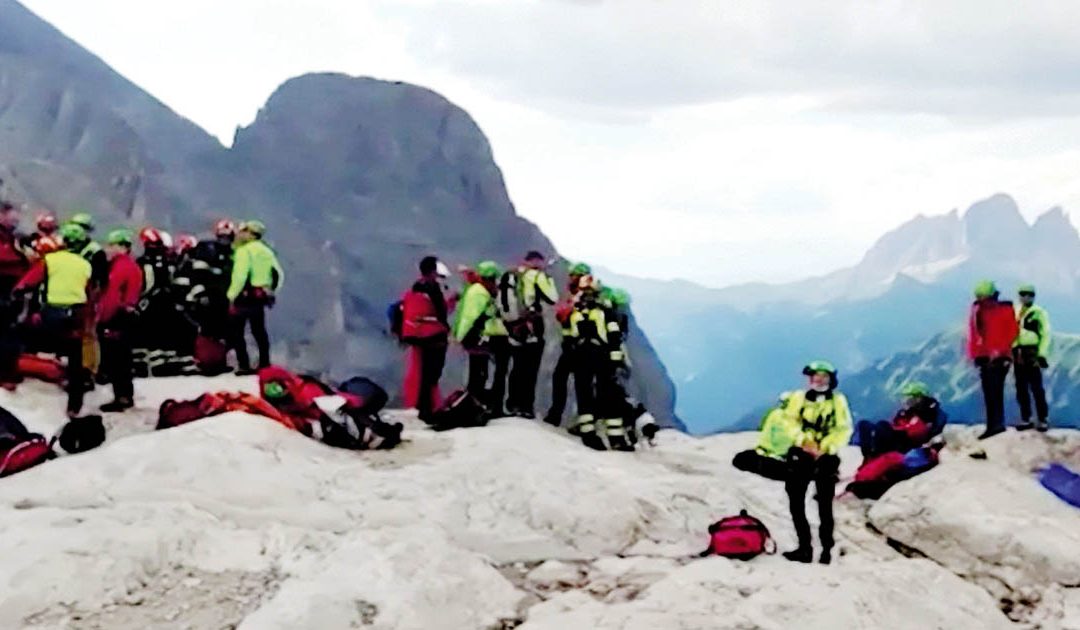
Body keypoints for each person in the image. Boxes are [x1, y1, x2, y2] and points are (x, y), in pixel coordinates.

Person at [776, 361, 852, 565]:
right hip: (801, 453)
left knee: (824, 504)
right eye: (814, 376)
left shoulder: (838, 401)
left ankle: (826, 548)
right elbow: (788, 421)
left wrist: (826, 447)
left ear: (830, 379)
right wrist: (803, 441)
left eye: (822, 376)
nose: (818, 380)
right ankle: (805, 548)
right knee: (796, 501)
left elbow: (843, 428)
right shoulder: (798, 398)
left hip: (825, 456)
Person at [13, 223, 92, 416]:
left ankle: (19, 379)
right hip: (77, 313)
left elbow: (27, 283)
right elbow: (91, 291)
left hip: (52, 312)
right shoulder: (84, 263)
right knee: (75, 357)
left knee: (21, 336)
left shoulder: (50, 260)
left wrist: (17, 292)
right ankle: (75, 404)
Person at [568, 276, 632, 451]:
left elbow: (572, 337)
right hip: (602, 357)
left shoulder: (576, 313)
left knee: (585, 395)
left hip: (581, 356)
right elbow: (614, 338)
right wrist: (616, 360)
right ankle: (616, 438)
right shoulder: (605, 313)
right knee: (609, 395)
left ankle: (589, 435)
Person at [227, 220, 284, 375]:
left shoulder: (243, 251)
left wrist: (231, 296)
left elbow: (240, 276)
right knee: (259, 331)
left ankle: (244, 364)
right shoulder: (267, 251)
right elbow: (278, 274)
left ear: (251, 233)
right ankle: (264, 362)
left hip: (244, 297)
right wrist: (271, 291)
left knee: (237, 332)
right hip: (261, 297)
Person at [506, 251, 558, 419]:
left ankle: (512, 403)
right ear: (537, 261)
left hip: (515, 326)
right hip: (533, 325)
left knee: (517, 366)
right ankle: (525, 406)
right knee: (530, 367)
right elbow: (552, 298)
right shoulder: (537, 276)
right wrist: (548, 279)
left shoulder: (515, 276)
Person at [401, 256, 453, 422]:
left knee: (423, 373)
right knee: (432, 373)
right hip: (433, 335)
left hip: (418, 334)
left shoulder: (417, 286)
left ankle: (423, 406)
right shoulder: (432, 287)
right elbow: (441, 311)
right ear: (433, 271)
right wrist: (452, 301)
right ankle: (428, 409)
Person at [452, 261, 508, 415]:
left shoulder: (475, 290)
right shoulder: (480, 293)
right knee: (479, 373)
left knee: (478, 372)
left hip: (474, 336)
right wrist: (467, 336)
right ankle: (477, 406)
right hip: (478, 336)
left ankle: (476, 404)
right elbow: (473, 316)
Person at [98, 229, 143, 412]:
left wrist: (103, 318)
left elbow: (112, 296)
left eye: (111, 245)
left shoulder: (120, 268)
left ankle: (121, 396)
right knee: (124, 358)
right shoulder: (133, 266)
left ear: (122, 247)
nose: (108, 249)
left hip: (117, 316)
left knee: (117, 359)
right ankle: (125, 395)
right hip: (127, 315)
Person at [968, 280, 1019, 440]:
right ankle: (993, 424)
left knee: (995, 390)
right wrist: (976, 354)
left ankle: (996, 425)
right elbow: (974, 334)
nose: (983, 301)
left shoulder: (1004, 310)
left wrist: (1001, 352)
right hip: (984, 356)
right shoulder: (977, 310)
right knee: (988, 391)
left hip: (999, 357)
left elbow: (1012, 332)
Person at [543, 262, 592, 426]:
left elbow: (573, 316)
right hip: (574, 345)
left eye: (573, 276)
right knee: (570, 380)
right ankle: (570, 416)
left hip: (579, 345)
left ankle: (563, 416)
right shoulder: (581, 294)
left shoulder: (584, 295)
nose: (570, 279)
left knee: (577, 382)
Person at [855, 382, 943, 459]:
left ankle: (874, 456)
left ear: (918, 398)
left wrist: (892, 429)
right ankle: (870, 457)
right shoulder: (908, 412)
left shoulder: (925, 413)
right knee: (864, 425)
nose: (905, 400)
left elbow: (913, 432)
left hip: (904, 445)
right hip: (899, 439)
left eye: (909, 397)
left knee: (882, 426)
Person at [1013, 284, 1051, 432]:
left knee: (1036, 386)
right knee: (1021, 386)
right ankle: (1025, 417)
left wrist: (1041, 353)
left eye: (1029, 294)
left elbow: (1045, 334)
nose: (1026, 297)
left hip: (1032, 351)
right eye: (1023, 294)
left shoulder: (1038, 313)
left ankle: (1042, 418)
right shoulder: (1015, 312)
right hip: (1018, 351)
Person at [0, 202, 28, 390]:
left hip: (12, 291)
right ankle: (5, 374)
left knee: (10, 333)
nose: (16, 220)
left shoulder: (12, 238)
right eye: (12, 216)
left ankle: (9, 371)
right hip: (3, 288)